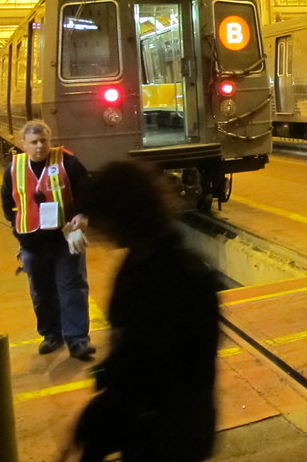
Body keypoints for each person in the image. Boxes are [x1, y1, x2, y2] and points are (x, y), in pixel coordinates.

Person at [61, 160, 221, 462]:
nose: (102, 232)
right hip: (153, 421)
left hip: (170, 432)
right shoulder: (140, 261)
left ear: (125, 215)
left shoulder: (179, 276)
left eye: (105, 221)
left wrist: (109, 408)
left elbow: (157, 365)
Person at [0, 120, 93, 359]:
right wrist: (18, 229)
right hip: (32, 242)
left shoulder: (67, 162)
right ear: (24, 145)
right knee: (41, 292)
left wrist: (82, 214)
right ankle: (51, 335)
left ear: (50, 141)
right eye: (34, 142)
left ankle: (78, 340)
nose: (40, 146)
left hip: (64, 239)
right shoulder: (14, 169)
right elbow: (8, 204)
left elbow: (87, 190)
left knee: (72, 287)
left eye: (44, 141)